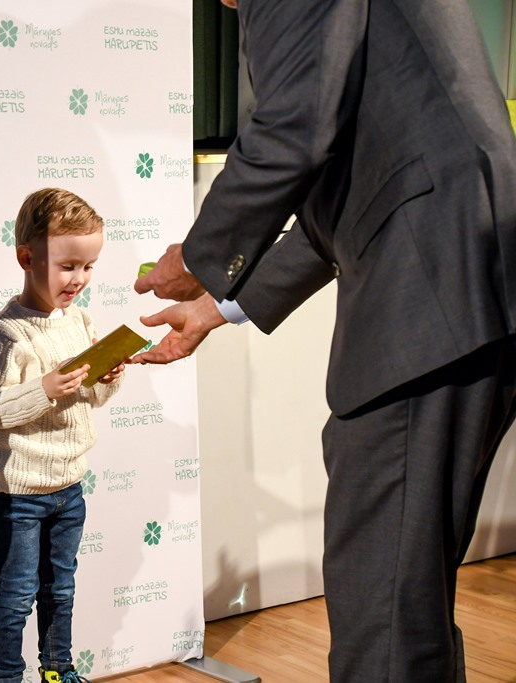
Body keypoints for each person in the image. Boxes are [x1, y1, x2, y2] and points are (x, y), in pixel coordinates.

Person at [133, 0, 516, 681]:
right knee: (408, 590)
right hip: (471, 277)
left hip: (428, 287)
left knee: (385, 610)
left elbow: (295, 132)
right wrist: (220, 304)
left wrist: (200, 254)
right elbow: (343, 179)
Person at [0, 188, 124, 683]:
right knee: (16, 592)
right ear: (27, 258)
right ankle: (5, 677)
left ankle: (58, 670)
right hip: (19, 495)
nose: (79, 280)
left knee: (61, 588)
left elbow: (87, 402)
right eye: (68, 266)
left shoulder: (79, 321)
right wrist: (43, 389)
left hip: (69, 488)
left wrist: (107, 376)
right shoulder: (9, 333)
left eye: (89, 267)